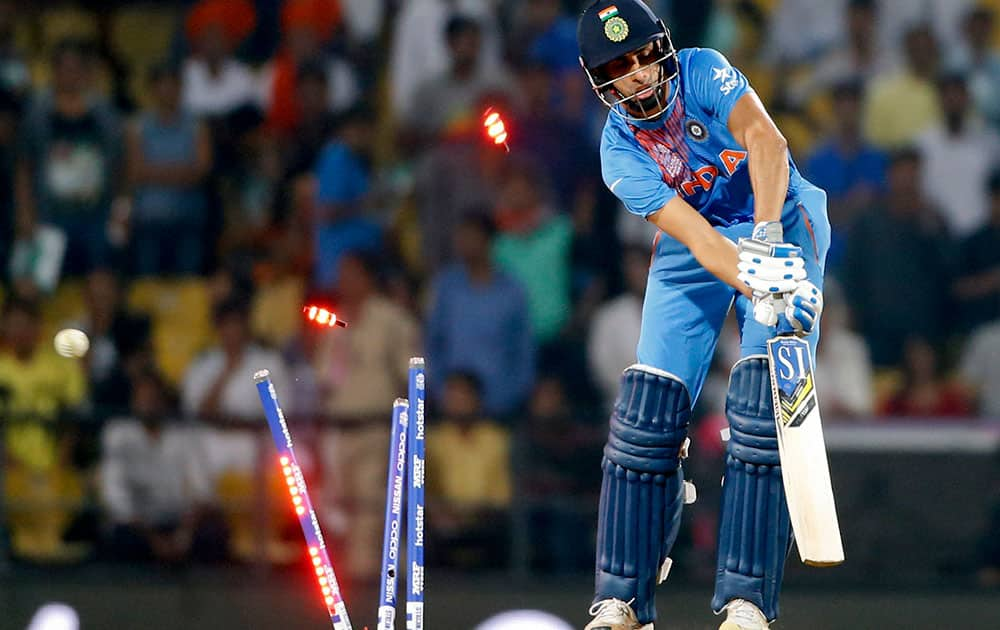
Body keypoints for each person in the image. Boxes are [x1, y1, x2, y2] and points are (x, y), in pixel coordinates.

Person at [576, 3, 829, 629]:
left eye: (639, 57)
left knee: (757, 401)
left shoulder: (702, 73)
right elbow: (700, 240)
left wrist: (768, 244)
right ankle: (622, 602)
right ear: (599, 81)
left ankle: (745, 603)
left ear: (661, 48)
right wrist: (751, 274)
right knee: (645, 413)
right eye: (616, 68)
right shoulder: (618, 154)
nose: (634, 76)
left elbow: (768, 143)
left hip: (781, 216)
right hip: (702, 246)